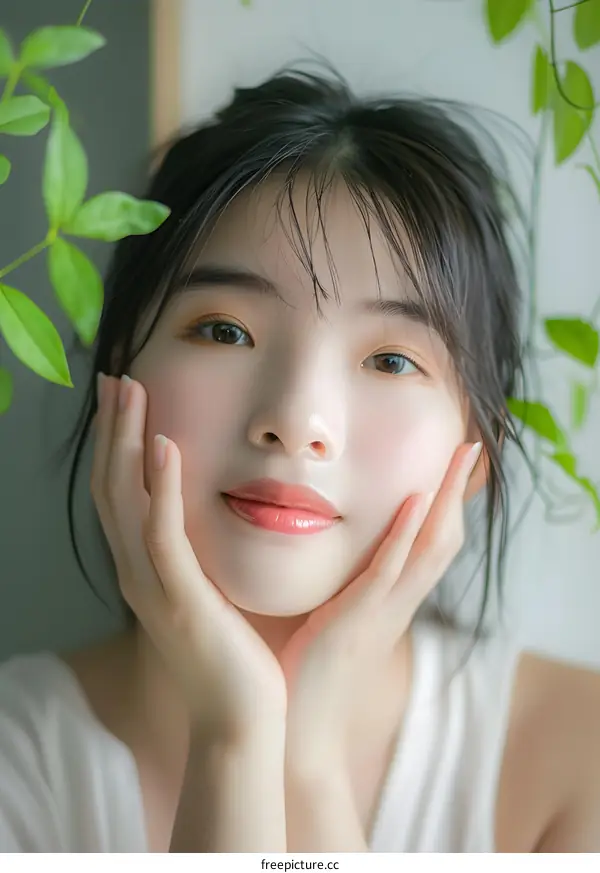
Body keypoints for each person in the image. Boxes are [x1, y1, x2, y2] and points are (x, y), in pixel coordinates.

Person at [0, 69, 599, 854]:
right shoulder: (18, 764)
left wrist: (301, 761)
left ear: (476, 452)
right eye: (224, 330)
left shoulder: (575, 759)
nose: (295, 421)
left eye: (390, 359)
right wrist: (234, 734)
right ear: (121, 374)